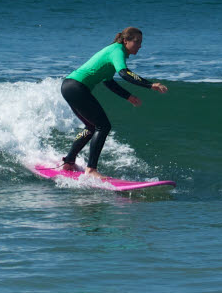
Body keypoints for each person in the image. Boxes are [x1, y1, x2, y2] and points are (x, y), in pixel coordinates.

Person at [59, 27, 168, 180]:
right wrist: (150, 85)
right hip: (77, 87)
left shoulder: (113, 50)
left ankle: (69, 161)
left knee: (92, 127)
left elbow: (108, 82)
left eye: (141, 42)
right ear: (125, 41)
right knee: (103, 126)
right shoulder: (117, 51)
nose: (140, 46)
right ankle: (91, 169)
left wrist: (128, 96)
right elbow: (125, 73)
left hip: (69, 87)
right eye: (137, 42)